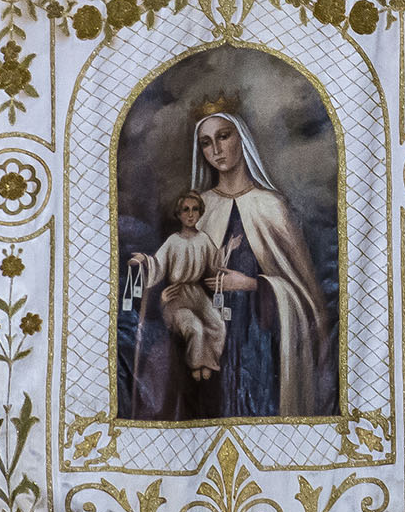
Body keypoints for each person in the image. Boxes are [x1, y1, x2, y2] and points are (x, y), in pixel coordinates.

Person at [183, 102, 334, 418]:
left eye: (223, 136)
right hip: (212, 344)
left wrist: (251, 284)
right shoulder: (199, 210)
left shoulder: (272, 207)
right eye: (206, 143)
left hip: (263, 347)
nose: (217, 150)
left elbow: (306, 298)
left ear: (241, 138)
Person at [127, 191, 233, 420]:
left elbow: (215, 264)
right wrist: (144, 261)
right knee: (194, 327)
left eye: (195, 209)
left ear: (200, 212)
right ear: (179, 213)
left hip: (197, 293)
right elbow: (157, 266)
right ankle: (197, 367)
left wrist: (229, 250)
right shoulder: (173, 241)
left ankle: (209, 365)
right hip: (177, 296)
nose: (191, 214)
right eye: (186, 209)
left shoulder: (204, 239)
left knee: (217, 324)